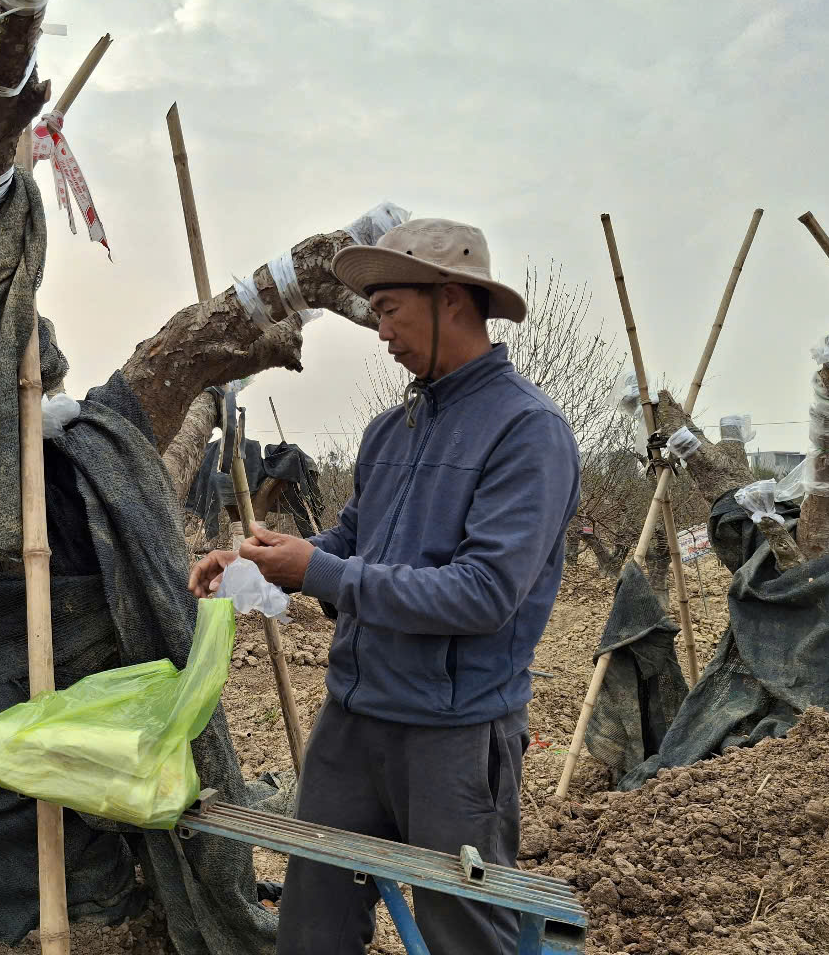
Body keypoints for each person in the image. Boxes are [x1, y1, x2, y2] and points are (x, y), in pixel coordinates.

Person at [189, 218, 581, 954]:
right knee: (314, 920)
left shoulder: (527, 432)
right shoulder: (390, 432)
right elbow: (348, 544)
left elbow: (483, 594)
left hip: (455, 735)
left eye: (391, 308)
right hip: (354, 721)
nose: (381, 330)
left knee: (462, 929)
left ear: (453, 301)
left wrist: (322, 571)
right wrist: (252, 561)